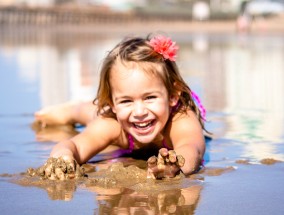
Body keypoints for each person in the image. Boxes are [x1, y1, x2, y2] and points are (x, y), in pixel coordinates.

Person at [34, 34, 208, 180]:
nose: (139, 112)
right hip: (106, 116)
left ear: (172, 96)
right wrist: (62, 158)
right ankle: (71, 110)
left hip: (149, 116)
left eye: (150, 97)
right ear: (112, 104)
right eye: (126, 101)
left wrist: (176, 164)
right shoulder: (112, 123)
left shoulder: (181, 119)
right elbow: (75, 146)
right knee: (90, 113)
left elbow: (192, 148)